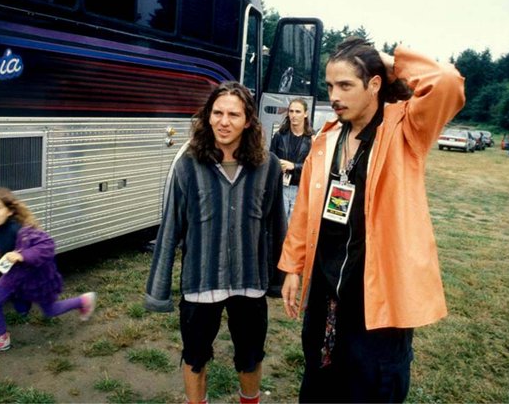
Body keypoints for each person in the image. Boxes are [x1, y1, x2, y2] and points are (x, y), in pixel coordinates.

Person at [278, 37, 465, 402]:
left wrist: (388, 60)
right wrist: (292, 267)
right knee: (318, 386)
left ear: (374, 84)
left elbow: (446, 81)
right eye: (330, 85)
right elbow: (306, 209)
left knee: (372, 388)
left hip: (378, 303)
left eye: (346, 85)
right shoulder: (328, 138)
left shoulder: (406, 128)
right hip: (327, 296)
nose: (335, 95)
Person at [144, 81, 287, 404]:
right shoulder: (187, 165)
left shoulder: (268, 167)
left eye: (234, 114)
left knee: (250, 356)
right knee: (195, 356)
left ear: (248, 120)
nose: (224, 121)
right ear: (207, 117)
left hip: (250, 284)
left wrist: (280, 280)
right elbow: (170, 229)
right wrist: (159, 290)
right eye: (217, 113)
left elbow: (276, 226)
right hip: (200, 282)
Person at [0, 187, 97, 358]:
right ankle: (1, 337)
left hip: (36, 278)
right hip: (14, 277)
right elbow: (4, 254)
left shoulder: (24, 231)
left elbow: (47, 245)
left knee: (51, 310)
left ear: (9, 211)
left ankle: (83, 301)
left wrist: (21, 255)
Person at [269, 98, 313, 221]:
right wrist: (278, 165)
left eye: (298, 112)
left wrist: (294, 166)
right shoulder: (279, 135)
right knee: (279, 226)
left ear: (305, 114)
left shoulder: (312, 139)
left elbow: (315, 167)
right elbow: (270, 159)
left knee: (294, 227)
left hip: (301, 189)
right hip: (281, 187)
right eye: (291, 111)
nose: (294, 115)